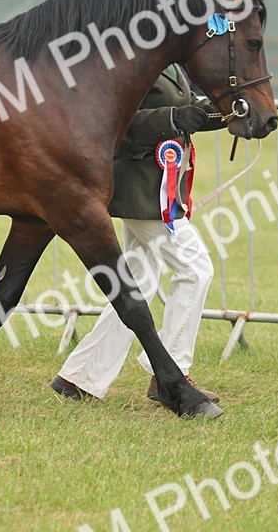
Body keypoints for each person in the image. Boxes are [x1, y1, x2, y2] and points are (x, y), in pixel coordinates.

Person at [50, 65, 224, 406]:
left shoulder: (169, 62)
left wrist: (226, 112)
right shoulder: (133, 63)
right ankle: (170, 374)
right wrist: (172, 117)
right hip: (142, 190)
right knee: (195, 268)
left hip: (154, 188)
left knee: (139, 283)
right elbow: (120, 122)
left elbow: (183, 109)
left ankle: (79, 376)